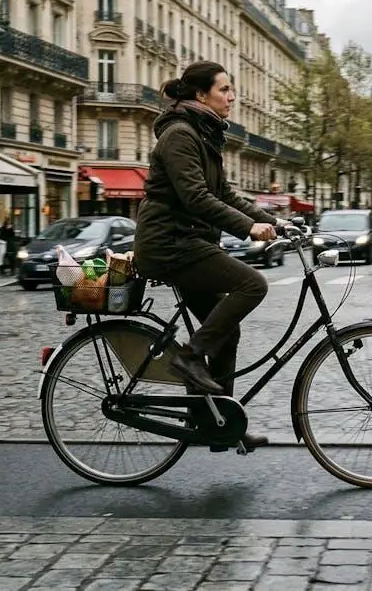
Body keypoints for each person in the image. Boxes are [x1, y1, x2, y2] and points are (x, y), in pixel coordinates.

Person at [135, 61, 279, 453]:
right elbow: (196, 197)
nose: (232, 97)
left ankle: (218, 425)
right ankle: (190, 357)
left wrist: (275, 222)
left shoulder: (203, 133)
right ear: (201, 95)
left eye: (231, 90)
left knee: (227, 332)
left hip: (189, 242)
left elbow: (224, 194)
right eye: (224, 90)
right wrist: (248, 229)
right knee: (253, 284)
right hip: (171, 244)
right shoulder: (180, 135)